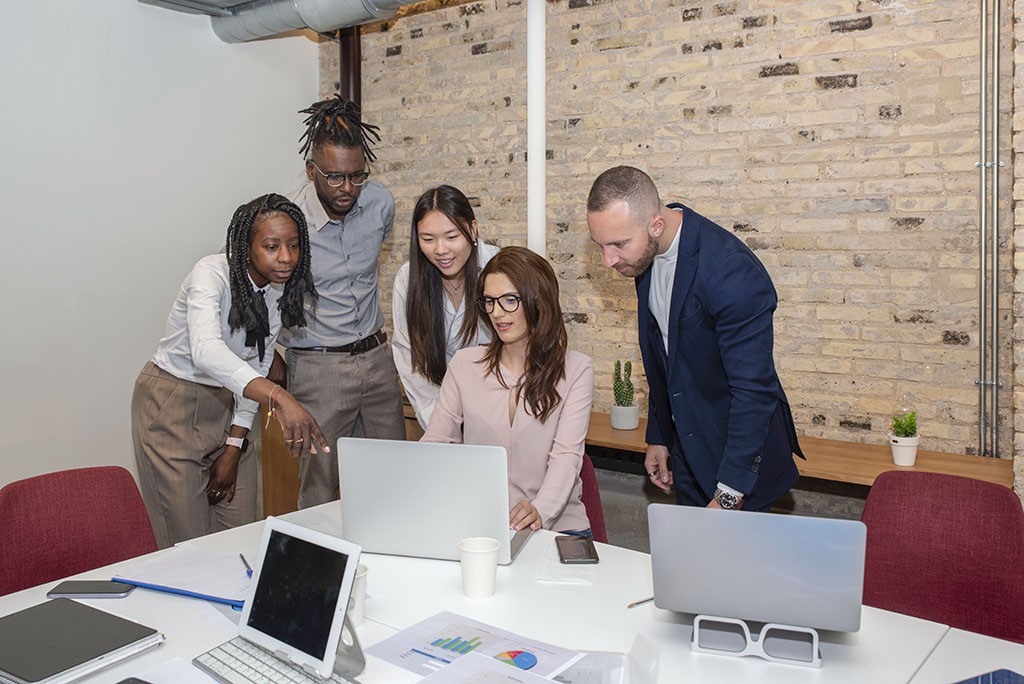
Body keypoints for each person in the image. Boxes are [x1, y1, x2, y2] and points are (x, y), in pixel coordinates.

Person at [586, 166, 803, 512]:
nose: (608, 260)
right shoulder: (644, 254)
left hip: (741, 468)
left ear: (656, 224)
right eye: (601, 245)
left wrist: (729, 494)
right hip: (686, 454)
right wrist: (659, 436)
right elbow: (666, 358)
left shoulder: (731, 272)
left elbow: (754, 393)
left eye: (618, 245)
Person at [132, 194, 330, 548]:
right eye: (272, 246)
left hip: (231, 402)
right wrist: (279, 396)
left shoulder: (279, 289)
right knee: (187, 545)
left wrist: (234, 445)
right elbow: (206, 351)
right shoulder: (210, 274)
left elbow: (256, 363)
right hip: (172, 403)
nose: (286, 257)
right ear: (246, 246)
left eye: (294, 245)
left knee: (241, 536)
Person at [279, 94, 406, 509]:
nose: (347, 188)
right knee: (319, 489)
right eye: (334, 178)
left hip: (376, 358)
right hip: (318, 368)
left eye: (356, 176)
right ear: (311, 169)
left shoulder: (379, 203)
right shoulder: (289, 220)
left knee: (393, 476)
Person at [422, 246, 594, 533]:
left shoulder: (576, 369)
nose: (497, 313)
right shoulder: (466, 364)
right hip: (482, 524)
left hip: (558, 526)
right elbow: (437, 443)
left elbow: (566, 458)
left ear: (538, 300)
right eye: (489, 302)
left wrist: (539, 511)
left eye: (510, 300)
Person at [392, 185, 501, 429]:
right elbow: (408, 355)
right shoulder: (408, 280)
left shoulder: (498, 270)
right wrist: (441, 423)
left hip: (499, 413)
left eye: (452, 237)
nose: (441, 250)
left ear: (473, 230)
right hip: (439, 413)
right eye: (428, 239)